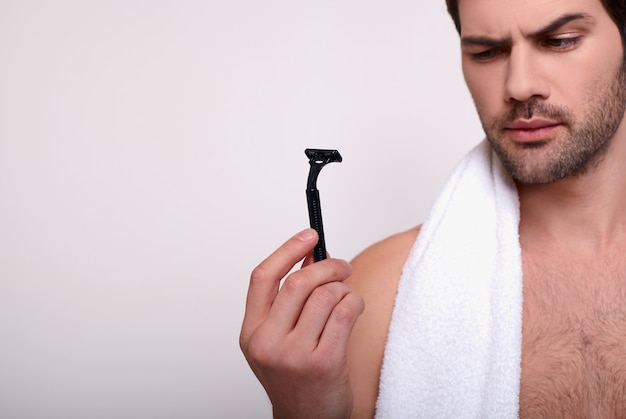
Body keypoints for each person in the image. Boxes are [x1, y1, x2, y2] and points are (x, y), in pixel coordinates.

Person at [240, 0, 626, 417]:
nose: (518, 84)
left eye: (560, 41)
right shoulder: (379, 295)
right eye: (486, 52)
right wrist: (302, 411)